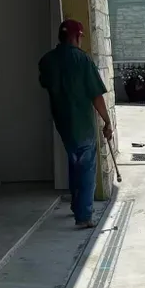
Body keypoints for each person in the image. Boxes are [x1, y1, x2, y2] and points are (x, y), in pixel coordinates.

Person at [38, 19, 113, 229]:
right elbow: (96, 95)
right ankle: (84, 216)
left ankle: (75, 206)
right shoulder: (82, 60)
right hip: (82, 124)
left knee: (74, 163)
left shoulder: (47, 60)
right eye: (80, 37)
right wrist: (107, 121)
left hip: (63, 123)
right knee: (86, 169)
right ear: (76, 36)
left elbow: (45, 83)